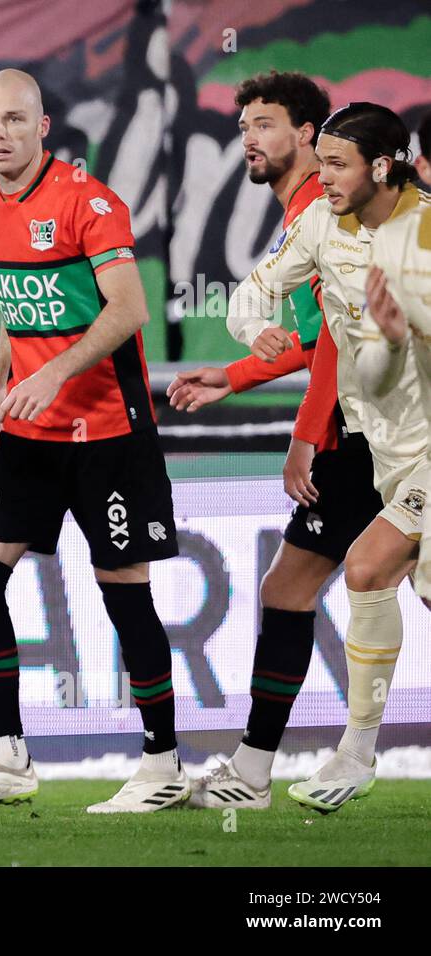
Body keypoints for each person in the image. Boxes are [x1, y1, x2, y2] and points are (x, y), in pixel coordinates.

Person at [0, 70, 186, 815]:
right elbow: (22, 306)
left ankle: (163, 762)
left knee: (124, 597)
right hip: (32, 433)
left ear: (44, 127)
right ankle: (6, 756)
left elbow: (130, 309)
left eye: (14, 118)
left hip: (108, 430)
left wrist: (58, 375)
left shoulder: (90, 201)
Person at [166, 73, 379, 808]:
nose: (249, 138)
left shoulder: (323, 205)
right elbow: (320, 338)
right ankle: (262, 769)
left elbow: (340, 351)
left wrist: (305, 438)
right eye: (244, 126)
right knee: (345, 583)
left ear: (310, 134)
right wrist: (234, 375)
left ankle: (256, 774)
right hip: (370, 422)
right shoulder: (307, 211)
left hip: (369, 429)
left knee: (298, 588)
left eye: (265, 124)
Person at [222, 102, 429, 813]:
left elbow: (372, 369)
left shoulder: (422, 240)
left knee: (368, 568)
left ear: (382, 165)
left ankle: (356, 753)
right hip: (385, 451)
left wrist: (394, 342)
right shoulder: (322, 222)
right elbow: (252, 294)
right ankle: (323, 759)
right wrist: (258, 335)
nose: (323, 176)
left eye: (337, 164)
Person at [367, 112, 431, 608]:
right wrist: (391, 341)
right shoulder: (401, 247)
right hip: (414, 453)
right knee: (370, 570)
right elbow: (376, 379)